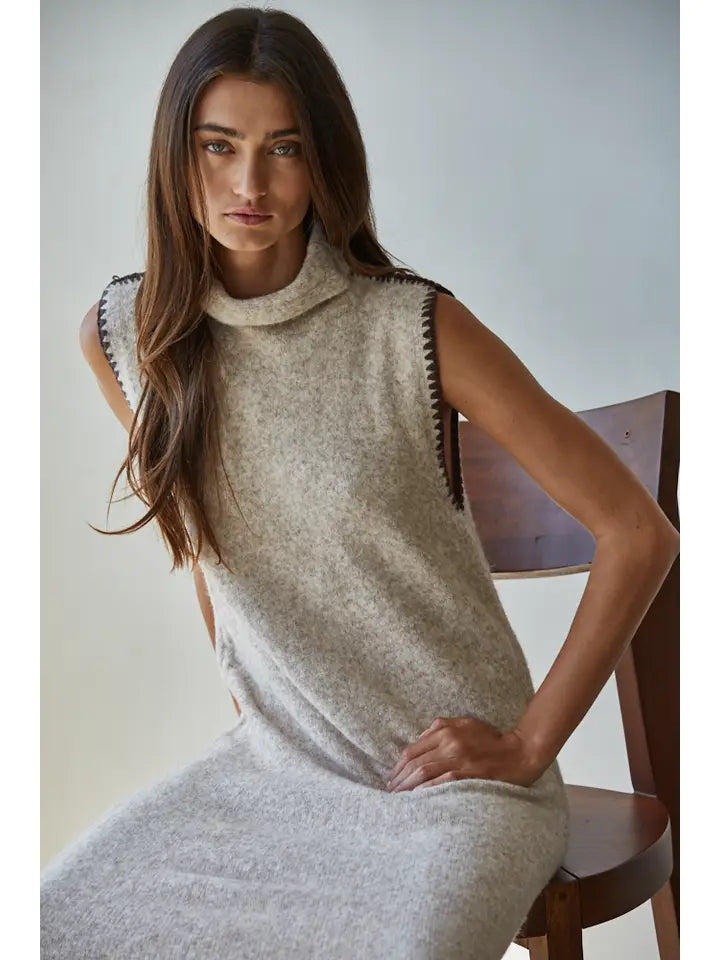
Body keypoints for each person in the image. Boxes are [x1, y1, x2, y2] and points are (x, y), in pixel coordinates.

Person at [41, 7, 680, 959]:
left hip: (457, 789)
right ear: (176, 159)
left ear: (324, 161)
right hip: (275, 767)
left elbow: (640, 532)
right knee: (59, 920)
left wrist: (528, 745)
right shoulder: (125, 337)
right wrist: (267, 711)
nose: (249, 184)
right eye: (218, 147)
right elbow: (219, 556)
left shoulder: (413, 328)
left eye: (283, 149)